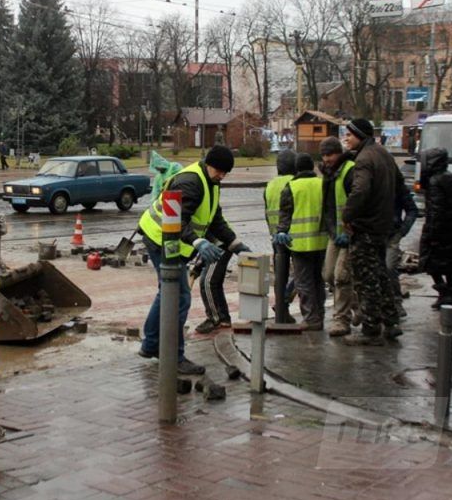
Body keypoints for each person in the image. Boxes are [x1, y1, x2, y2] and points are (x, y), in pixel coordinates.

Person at [137, 145, 248, 375]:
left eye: (225, 173)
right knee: (179, 297)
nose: (222, 176)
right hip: (161, 239)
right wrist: (199, 242)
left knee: (167, 293)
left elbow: (215, 219)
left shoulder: (212, 183)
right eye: (219, 171)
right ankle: (174, 356)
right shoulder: (191, 182)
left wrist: (235, 244)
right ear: (209, 164)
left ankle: (151, 344)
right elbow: (177, 219)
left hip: (169, 240)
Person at [197, 149, 296, 334]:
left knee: (209, 281)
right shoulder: (208, 187)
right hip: (289, 238)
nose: (222, 177)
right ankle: (223, 318)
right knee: (212, 281)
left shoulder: (272, 185)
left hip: (222, 242)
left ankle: (217, 319)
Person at [340, 118, 406, 345]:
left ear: (360, 135)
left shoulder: (364, 159)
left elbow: (360, 191)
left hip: (365, 227)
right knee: (380, 273)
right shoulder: (384, 155)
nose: (346, 139)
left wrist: (347, 216)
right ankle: (391, 321)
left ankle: (370, 329)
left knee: (366, 278)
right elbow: (399, 184)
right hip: (382, 225)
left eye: (349, 135)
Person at [274, 154, 328, 329]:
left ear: (296, 169)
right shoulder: (322, 184)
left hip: (300, 244)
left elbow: (285, 216)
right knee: (319, 281)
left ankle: (311, 318)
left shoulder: (291, 187)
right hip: (322, 242)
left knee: (303, 282)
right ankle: (320, 315)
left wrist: (281, 232)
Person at [318, 136, 358, 337]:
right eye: (324, 155)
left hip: (351, 233)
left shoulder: (350, 170)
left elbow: (357, 203)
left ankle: (341, 319)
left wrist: (349, 233)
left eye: (330, 154)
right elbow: (327, 207)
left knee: (341, 276)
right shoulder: (329, 174)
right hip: (336, 233)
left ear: (339, 153)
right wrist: (333, 232)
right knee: (328, 274)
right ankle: (357, 306)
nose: (326, 159)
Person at [418, 148, 452, 308]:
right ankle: (450, 293)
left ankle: (444, 293)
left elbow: (436, 209)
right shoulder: (450, 177)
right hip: (451, 228)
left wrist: (432, 232)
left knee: (430, 261)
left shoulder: (435, 181)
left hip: (438, 228)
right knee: (450, 263)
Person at [387, 184, 419, 315]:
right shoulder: (371, 180)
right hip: (373, 233)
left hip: (392, 235)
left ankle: (396, 301)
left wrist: (402, 231)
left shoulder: (396, 184)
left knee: (389, 267)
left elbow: (412, 210)